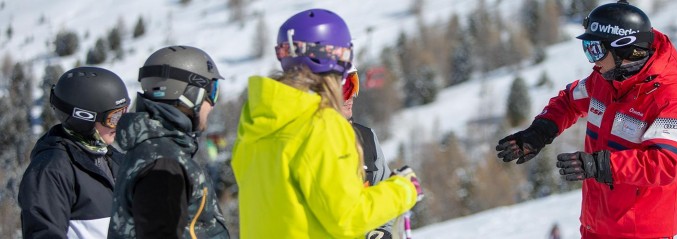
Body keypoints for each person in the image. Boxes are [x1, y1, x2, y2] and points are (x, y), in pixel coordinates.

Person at [495, 1, 677, 238]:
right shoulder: (604, 80)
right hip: (595, 226)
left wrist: (602, 165)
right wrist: (541, 131)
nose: (592, 60)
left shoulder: (669, 100)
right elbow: (569, 101)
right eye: (588, 49)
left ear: (624, 48)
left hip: (639, 233)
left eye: (595, 49)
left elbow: (666, 163)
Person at [231, 9, 423, 238]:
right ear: (337, 57)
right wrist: (403, 190)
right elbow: (348, 217)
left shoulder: (255, 126)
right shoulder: (320, 125)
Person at [107, 45, 229, 238]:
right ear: (190, 94)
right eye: (212, 92)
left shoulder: (156, 150)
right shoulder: (162, 162)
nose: (212, 104)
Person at [18, 66, 130, 238]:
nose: (121, 123)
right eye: (114, 118)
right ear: (84, 117)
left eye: (124, 113)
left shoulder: (114, 161)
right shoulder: (51, 171)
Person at [341, 67, 408, 239]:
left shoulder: (366, 138)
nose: (350, 97)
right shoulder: (308, 143)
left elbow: (380, 190)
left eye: (352, 86)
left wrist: (380, 230)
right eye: (343, 88)